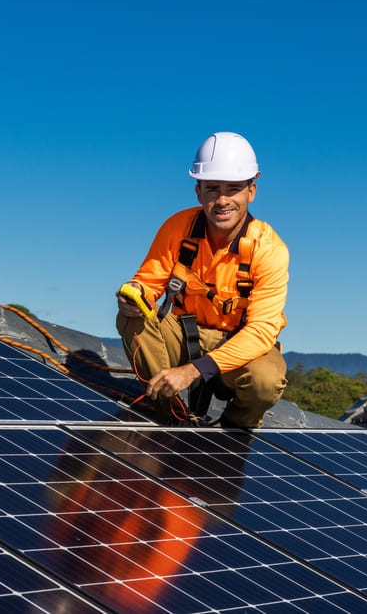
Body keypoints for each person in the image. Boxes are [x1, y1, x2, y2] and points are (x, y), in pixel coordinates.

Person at [116, 131, 289, 428]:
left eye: (233, 189)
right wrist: (135, 292)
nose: (222, 200)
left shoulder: (269, 249)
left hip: (240, 345)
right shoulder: (178, 227)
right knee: (130, 318)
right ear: (198, 192)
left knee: (266, 380)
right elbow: (149, 280)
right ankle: (172, 415)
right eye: (212, 189)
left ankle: (231, 434)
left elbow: (261, 331)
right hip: (184, 335)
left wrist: (193, 371)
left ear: (252, 191)